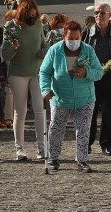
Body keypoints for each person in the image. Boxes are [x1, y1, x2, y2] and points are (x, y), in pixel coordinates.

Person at [39, 20, 104, 172]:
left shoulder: (88, 50)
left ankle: (82, 160)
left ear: (81, 36)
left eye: (77, 38)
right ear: (64, 37)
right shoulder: (55, 50)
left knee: (83, 129)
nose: (74, 42)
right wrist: (45, 89)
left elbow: (99, 72)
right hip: (60, 98)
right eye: (70, 38)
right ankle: (53, 158)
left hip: (85, 99)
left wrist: (86, 72)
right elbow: (44, 72)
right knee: (56, 128)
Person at [1, 0, 48, 161]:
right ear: (22, 12)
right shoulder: (11, 27)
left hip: (36, 71)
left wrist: (43, 52)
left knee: (39, 109)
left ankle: (42, 148)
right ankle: (19, 148)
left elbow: (44, 45)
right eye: (30, 14)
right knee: (20, 112)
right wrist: (13, 48)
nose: (33, 17)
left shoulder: (38, 25)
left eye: (35, 14)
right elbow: (5, 55)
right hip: (18, 73)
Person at [83, 2, 111, 156]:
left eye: (102, 13)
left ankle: (106, 144)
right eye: (96, 13)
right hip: (92, 78)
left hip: (110, 77)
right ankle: (86, 144)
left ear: (110, 15)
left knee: (108, 112)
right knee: (91, 112)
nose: (98, 16)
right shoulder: (87, 33)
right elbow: (81, 55)